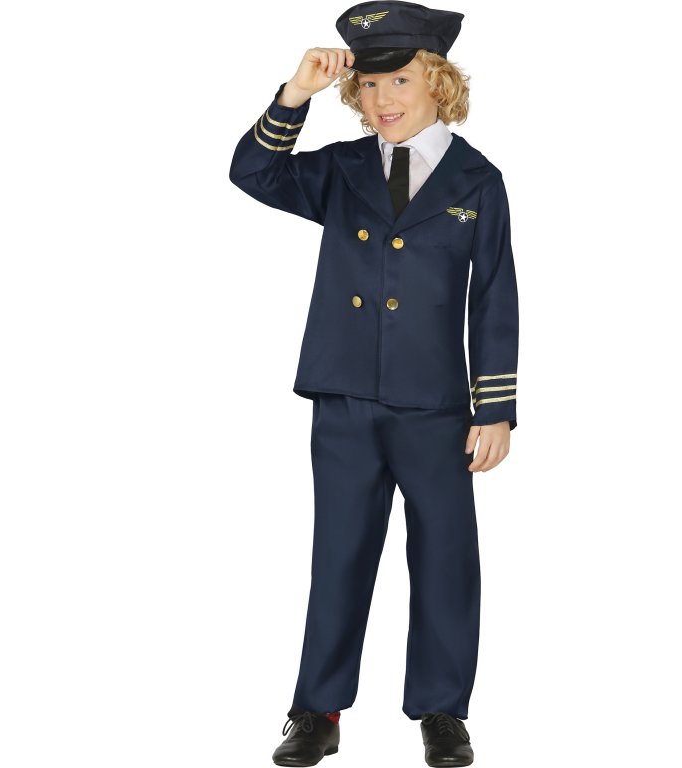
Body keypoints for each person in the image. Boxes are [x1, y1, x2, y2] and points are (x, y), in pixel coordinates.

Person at [228, 2, 518, 765]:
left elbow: (494, 297)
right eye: (368, 85)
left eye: (399, 81)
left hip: (435, 406)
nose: (382, 99)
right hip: (346, 396)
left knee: (446, 559)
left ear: (438, 83)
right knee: (339, 556)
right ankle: (317, 711)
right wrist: (295, 94)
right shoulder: (341, 169)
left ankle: (442, 710)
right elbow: (253, 172)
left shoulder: (477, 179)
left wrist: (494, 409)